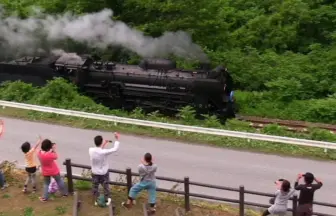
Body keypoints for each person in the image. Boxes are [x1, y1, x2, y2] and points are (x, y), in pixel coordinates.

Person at [89, 132, 120, 206]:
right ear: (101, 141)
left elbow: (98, 150)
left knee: (95, 186)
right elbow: (115, 149)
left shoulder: (91, 150)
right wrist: (117, 139)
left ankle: (96, 200)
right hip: (103, 173)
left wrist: (104, 144)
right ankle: (107, 199)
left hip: (94, 172)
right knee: (106, 186)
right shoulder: (104, 152)